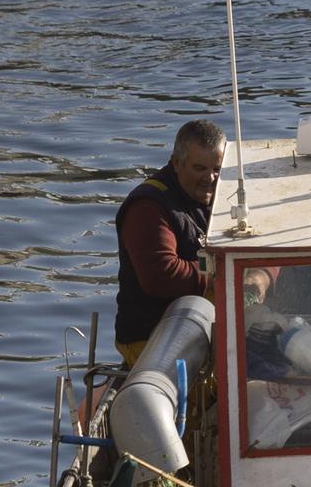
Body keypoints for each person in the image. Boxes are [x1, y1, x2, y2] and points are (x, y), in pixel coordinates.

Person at [114, 119, 272, 362]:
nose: (210, 177)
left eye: (217, 168)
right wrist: (227, 275)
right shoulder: (148, 208)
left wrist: (262, 276)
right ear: (177, 163)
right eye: (199, 168)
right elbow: (161, 274)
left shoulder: (228, 195)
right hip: (155, 339)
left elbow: (270, 239)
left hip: (213, 325)